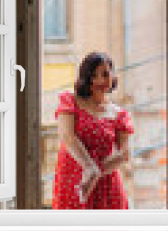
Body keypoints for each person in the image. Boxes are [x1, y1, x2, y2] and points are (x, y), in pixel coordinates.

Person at [52, 51, 134, 209]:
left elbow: (124, 154)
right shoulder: (71, 101)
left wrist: (96, 173)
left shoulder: (119, 114)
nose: (100, 80)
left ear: (113, 76)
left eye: (105, 74)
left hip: (107, 184)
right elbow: (67, 137)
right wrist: (89, 167)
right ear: (85, 77)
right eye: (93, 75)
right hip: (73, 179)